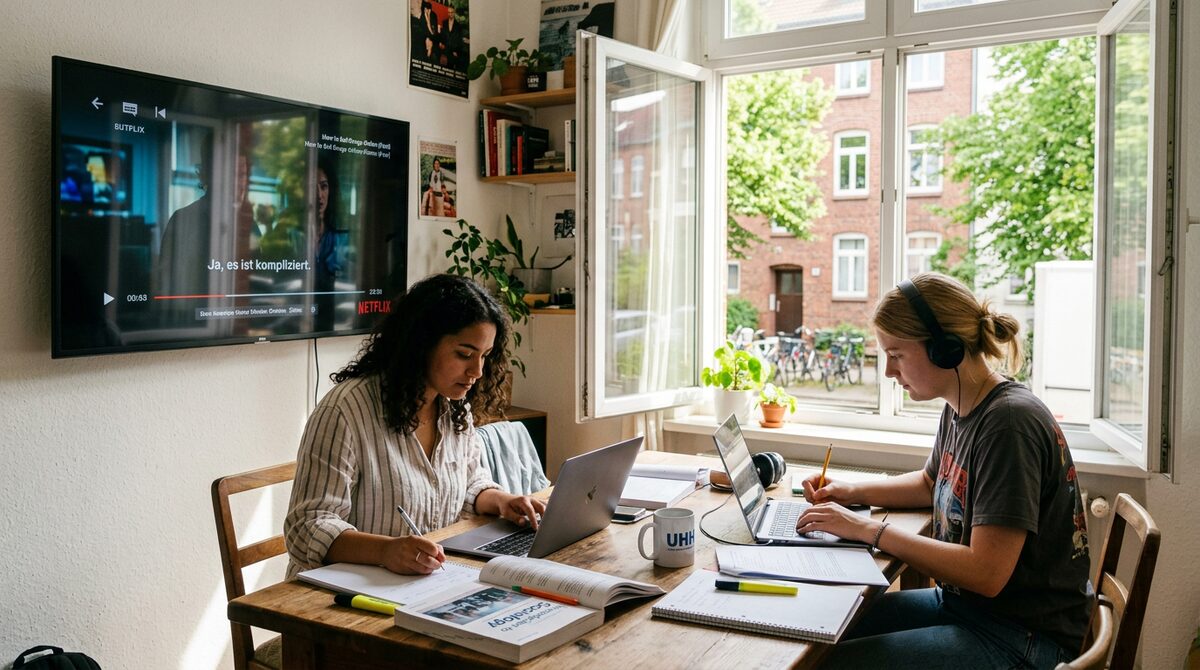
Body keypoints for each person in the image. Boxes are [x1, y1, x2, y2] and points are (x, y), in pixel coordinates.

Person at [796, 272, 1091, 669]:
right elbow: (929, 482)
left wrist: (867, 530)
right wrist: (849, 491)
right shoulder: (962, 405)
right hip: (970, 610)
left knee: (826, 664)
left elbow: (986, 573)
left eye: (896, 355)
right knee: (826, 623)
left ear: (944, 349)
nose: (888, 372)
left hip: (1021, 638)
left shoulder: (1008, 425)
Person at [284, 274, 547, 577]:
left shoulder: (454, 407)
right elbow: (307, 527)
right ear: (421, 344)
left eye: (484, 356)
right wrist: (385, 551)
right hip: (337, 593)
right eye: (464, 354)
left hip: (422, 582)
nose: (476, 371)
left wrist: (502, 501)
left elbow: (469, 481)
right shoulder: (345, 411)